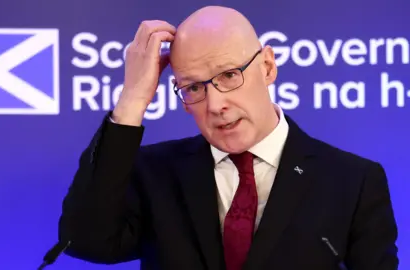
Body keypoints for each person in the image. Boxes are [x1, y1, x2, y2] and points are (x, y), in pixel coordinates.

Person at [58, 5, 399, 270]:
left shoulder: (353, 181)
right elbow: (83, 241)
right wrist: (132, 99)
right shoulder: (154, 173)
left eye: (229, 75)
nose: (216, 104)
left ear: (267, 67)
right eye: (193, 87)